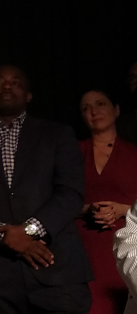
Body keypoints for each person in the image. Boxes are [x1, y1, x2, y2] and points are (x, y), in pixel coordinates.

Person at [0, 65, 91, 313]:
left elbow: (71, 192)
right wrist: (4, 237)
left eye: (16, 83)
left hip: (57, 271)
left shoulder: (58, 134)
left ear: (29, 96)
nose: (7, 86)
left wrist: (30, 230)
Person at [78, 89, 137, 313]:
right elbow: (59, 199)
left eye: (100, 104)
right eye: (86, 108)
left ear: (116, 109)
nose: (94, 111)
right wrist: (87, 209)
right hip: (85, 248)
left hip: (127, 242)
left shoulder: (134, 153)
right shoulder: (72, 153)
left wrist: (124, 210)